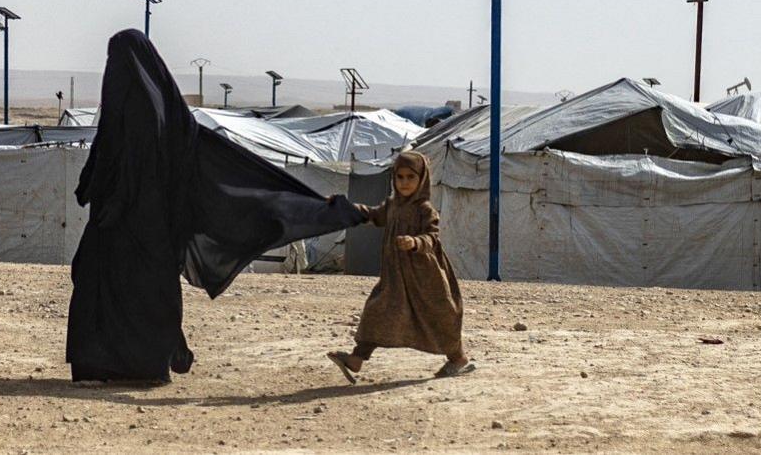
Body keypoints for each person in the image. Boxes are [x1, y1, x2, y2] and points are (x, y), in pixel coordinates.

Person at [67, 29, 364, 384]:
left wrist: (109, 197)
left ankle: (122, 365)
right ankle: (127, 365)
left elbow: (118, 164)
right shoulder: (171, 117)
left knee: (117, 289)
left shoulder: (154, 116)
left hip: (129, 226)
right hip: (140, 229)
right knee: (132, 290)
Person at [327, 151, 471, 384]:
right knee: (377, 310)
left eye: (410, 177)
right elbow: (372, 215)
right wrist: (343, 207)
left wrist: (415, 242)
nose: (404, 182)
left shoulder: (425, 210)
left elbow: (432, 238)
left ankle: (458, 358)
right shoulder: (393, 206)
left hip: (425, 276)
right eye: (400, 177)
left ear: (421, 179)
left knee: (439, 315)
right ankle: (356, 359)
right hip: (396, 276)